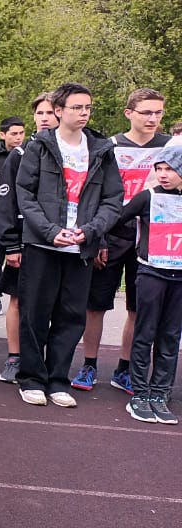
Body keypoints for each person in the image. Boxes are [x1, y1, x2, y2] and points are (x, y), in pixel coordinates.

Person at [14, 82, 122, 407]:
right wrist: (50, 232)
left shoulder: (102, 150)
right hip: (43, 246)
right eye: (77, 107)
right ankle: (32, 379)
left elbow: (113, 200)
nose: (84, 113)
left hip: (80, 249)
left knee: (72, 316)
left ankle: (58, 380)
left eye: (88, 107)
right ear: (59, 111)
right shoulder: (39, 146)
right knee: (35, 314)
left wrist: (90, 231)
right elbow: (25, 195)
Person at [74, 88, 170, 393]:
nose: (153, 118)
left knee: (138, 308)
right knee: (96, 305)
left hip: (151, 238)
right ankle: (89, 365)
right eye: (146, 112)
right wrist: (98, 237)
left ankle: (124, 369)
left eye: (158, 112)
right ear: (129, 113)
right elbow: (95, 195)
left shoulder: (170, 147)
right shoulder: (110, 147)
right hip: (112, 234)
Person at [0, 94, 59, 383]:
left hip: (57, 242)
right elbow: (5, 201)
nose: (44, 118)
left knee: (53, 305)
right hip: (24, 241)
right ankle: (14, 357)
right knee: (18, 301)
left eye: (50, 112)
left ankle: (47, 360)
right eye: (39, 113)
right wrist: (11, 244)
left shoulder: (71, 153)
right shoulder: (20, 154)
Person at [115, 146, 182, 424]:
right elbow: (117, 220)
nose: (163, 175)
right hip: (151, 273)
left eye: (170, 169)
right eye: (159, 169)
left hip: (179, 279)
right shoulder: (148, 197)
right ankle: (140, 394)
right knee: (145, 334)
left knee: (170, 337)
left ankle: (160, 393)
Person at [0, 117, 27, 317]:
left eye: (21, 133)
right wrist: (4, 208)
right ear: (3, 135)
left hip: (22, 217)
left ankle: (19, 296)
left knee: (19, 257)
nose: (18, 137)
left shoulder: (28, 154)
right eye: (13, 134)